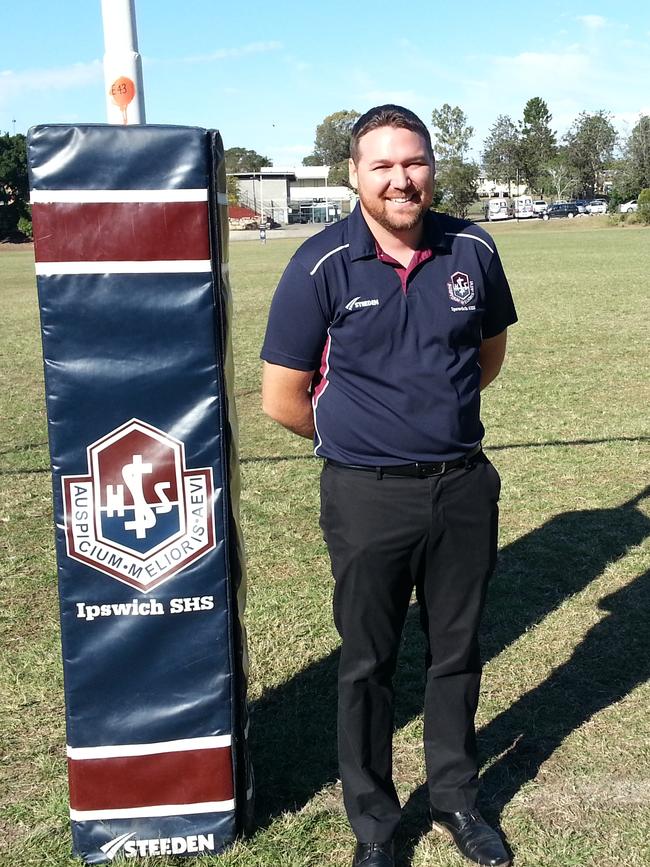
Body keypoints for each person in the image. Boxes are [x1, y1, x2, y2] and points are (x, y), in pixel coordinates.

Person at [261, 105, 517, 867]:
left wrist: (436, 423)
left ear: (432, 167)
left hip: (463, 487)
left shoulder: (473, 247)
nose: (401, 179)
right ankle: (374, 824)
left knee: (457, 652)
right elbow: (282, 395)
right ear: (355, 175)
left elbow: (487, 354)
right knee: (367, 662)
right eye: (383, 165)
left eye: (414, 162)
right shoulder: (320, 263)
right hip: (366, 495)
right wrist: (356, 439)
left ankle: (456, 798)